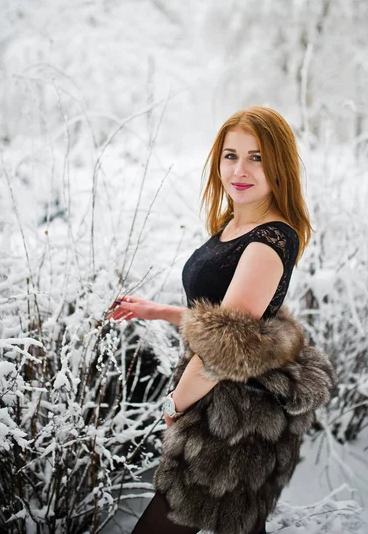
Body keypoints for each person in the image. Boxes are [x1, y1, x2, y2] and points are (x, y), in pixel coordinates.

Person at [107, 106, 336, 534]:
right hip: (220, 403)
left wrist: (175, 404)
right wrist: (156, 310)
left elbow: (223, 349)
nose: (240, 169)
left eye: (258, 157)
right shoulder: (234, 224)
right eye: (231, 155)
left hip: (233, 418)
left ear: (279, 166)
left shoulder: (268, 240)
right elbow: (223, 314)